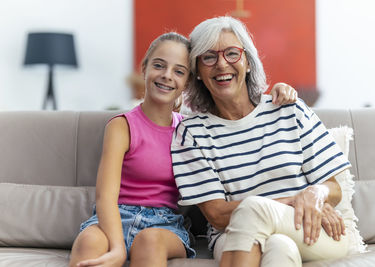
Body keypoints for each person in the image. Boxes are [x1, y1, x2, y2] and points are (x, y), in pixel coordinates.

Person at [69, 32, 297, 267]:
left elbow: (236, 115)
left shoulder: (191, 130)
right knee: (88, 241)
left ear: (188, 82)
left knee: (149, 240)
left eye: (178, 71)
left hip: (163, 224)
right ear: (144, 68)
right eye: (159, 66)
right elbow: (105, 197)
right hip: (116, 215)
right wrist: (117, 248)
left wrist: (279, 89)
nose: (167, 76)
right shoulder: (122, 125)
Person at [171, 16, 350, 267]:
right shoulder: (191, 133)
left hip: (310, 227)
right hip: (232, 234)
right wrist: (293, 199)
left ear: (247, 62)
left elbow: (334, 189)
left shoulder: (289, 109)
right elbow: (218, 215)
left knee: (256, 211)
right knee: (278, 246)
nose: (222, 64)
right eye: (208, 57)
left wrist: (315, 192)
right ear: (197, 71)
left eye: (232, 53)